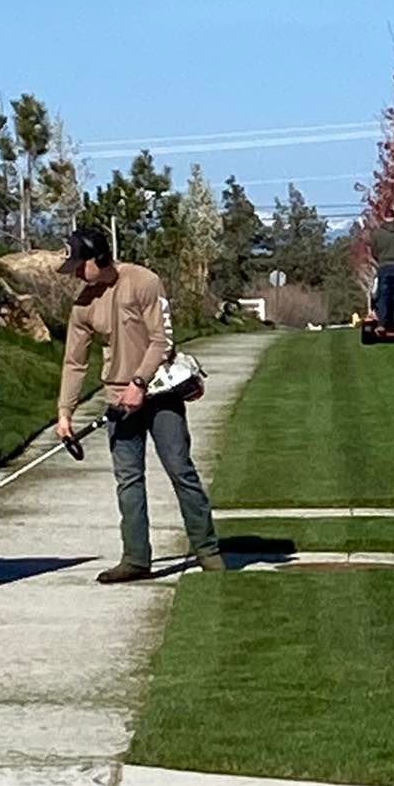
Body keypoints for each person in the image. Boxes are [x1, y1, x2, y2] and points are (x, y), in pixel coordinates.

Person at [54, 229, 224, 583]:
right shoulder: (83, 304)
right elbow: (74, 362)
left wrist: (139, 382)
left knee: (179, 468)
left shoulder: (144, 282)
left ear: (99, 258)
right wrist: (64, 412)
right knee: (128, 479)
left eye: (78, 265)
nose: (74, 274)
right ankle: (135, 558)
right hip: (118, 399)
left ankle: (208, 551)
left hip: (160, 393)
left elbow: (162, 340)